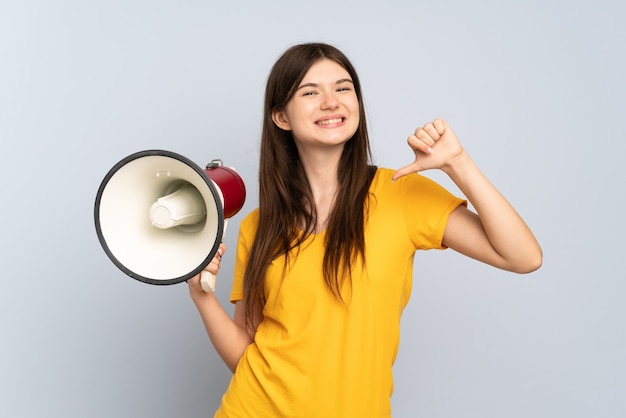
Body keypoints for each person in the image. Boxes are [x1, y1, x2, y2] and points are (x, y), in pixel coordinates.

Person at [187, 42, 542, 418]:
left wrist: (457, 163)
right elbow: (246, 353)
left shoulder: (401, 193)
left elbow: (523, 256)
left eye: (343, 88)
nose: (331, 102)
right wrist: (201, 296)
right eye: (310, 92)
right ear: (281, 117)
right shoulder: (260, 225)